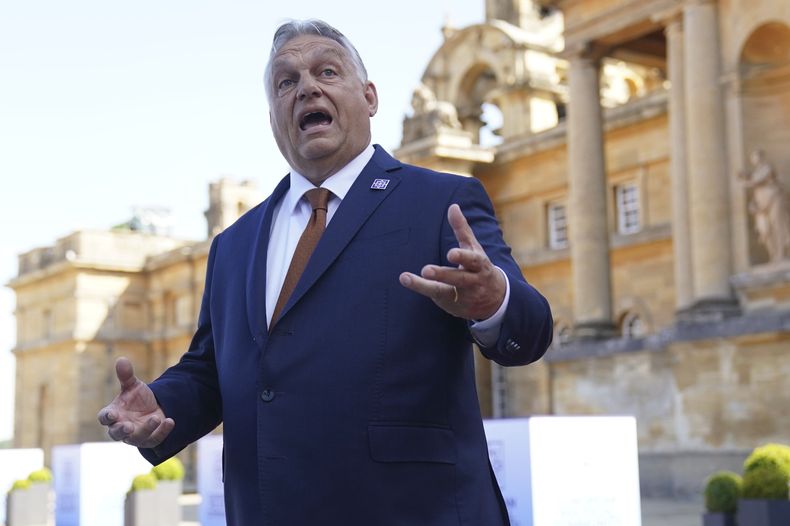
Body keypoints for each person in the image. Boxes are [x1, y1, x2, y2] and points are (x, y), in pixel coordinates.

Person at [98, 19, 552, 525]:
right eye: (285, 82)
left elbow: (529, 331)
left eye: (327, 71)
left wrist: (495, 303)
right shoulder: (234, 244)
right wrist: (159, 402)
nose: (306, 86)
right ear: (274, 116)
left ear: (370, 97)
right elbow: (211, 371)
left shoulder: (442, 202)